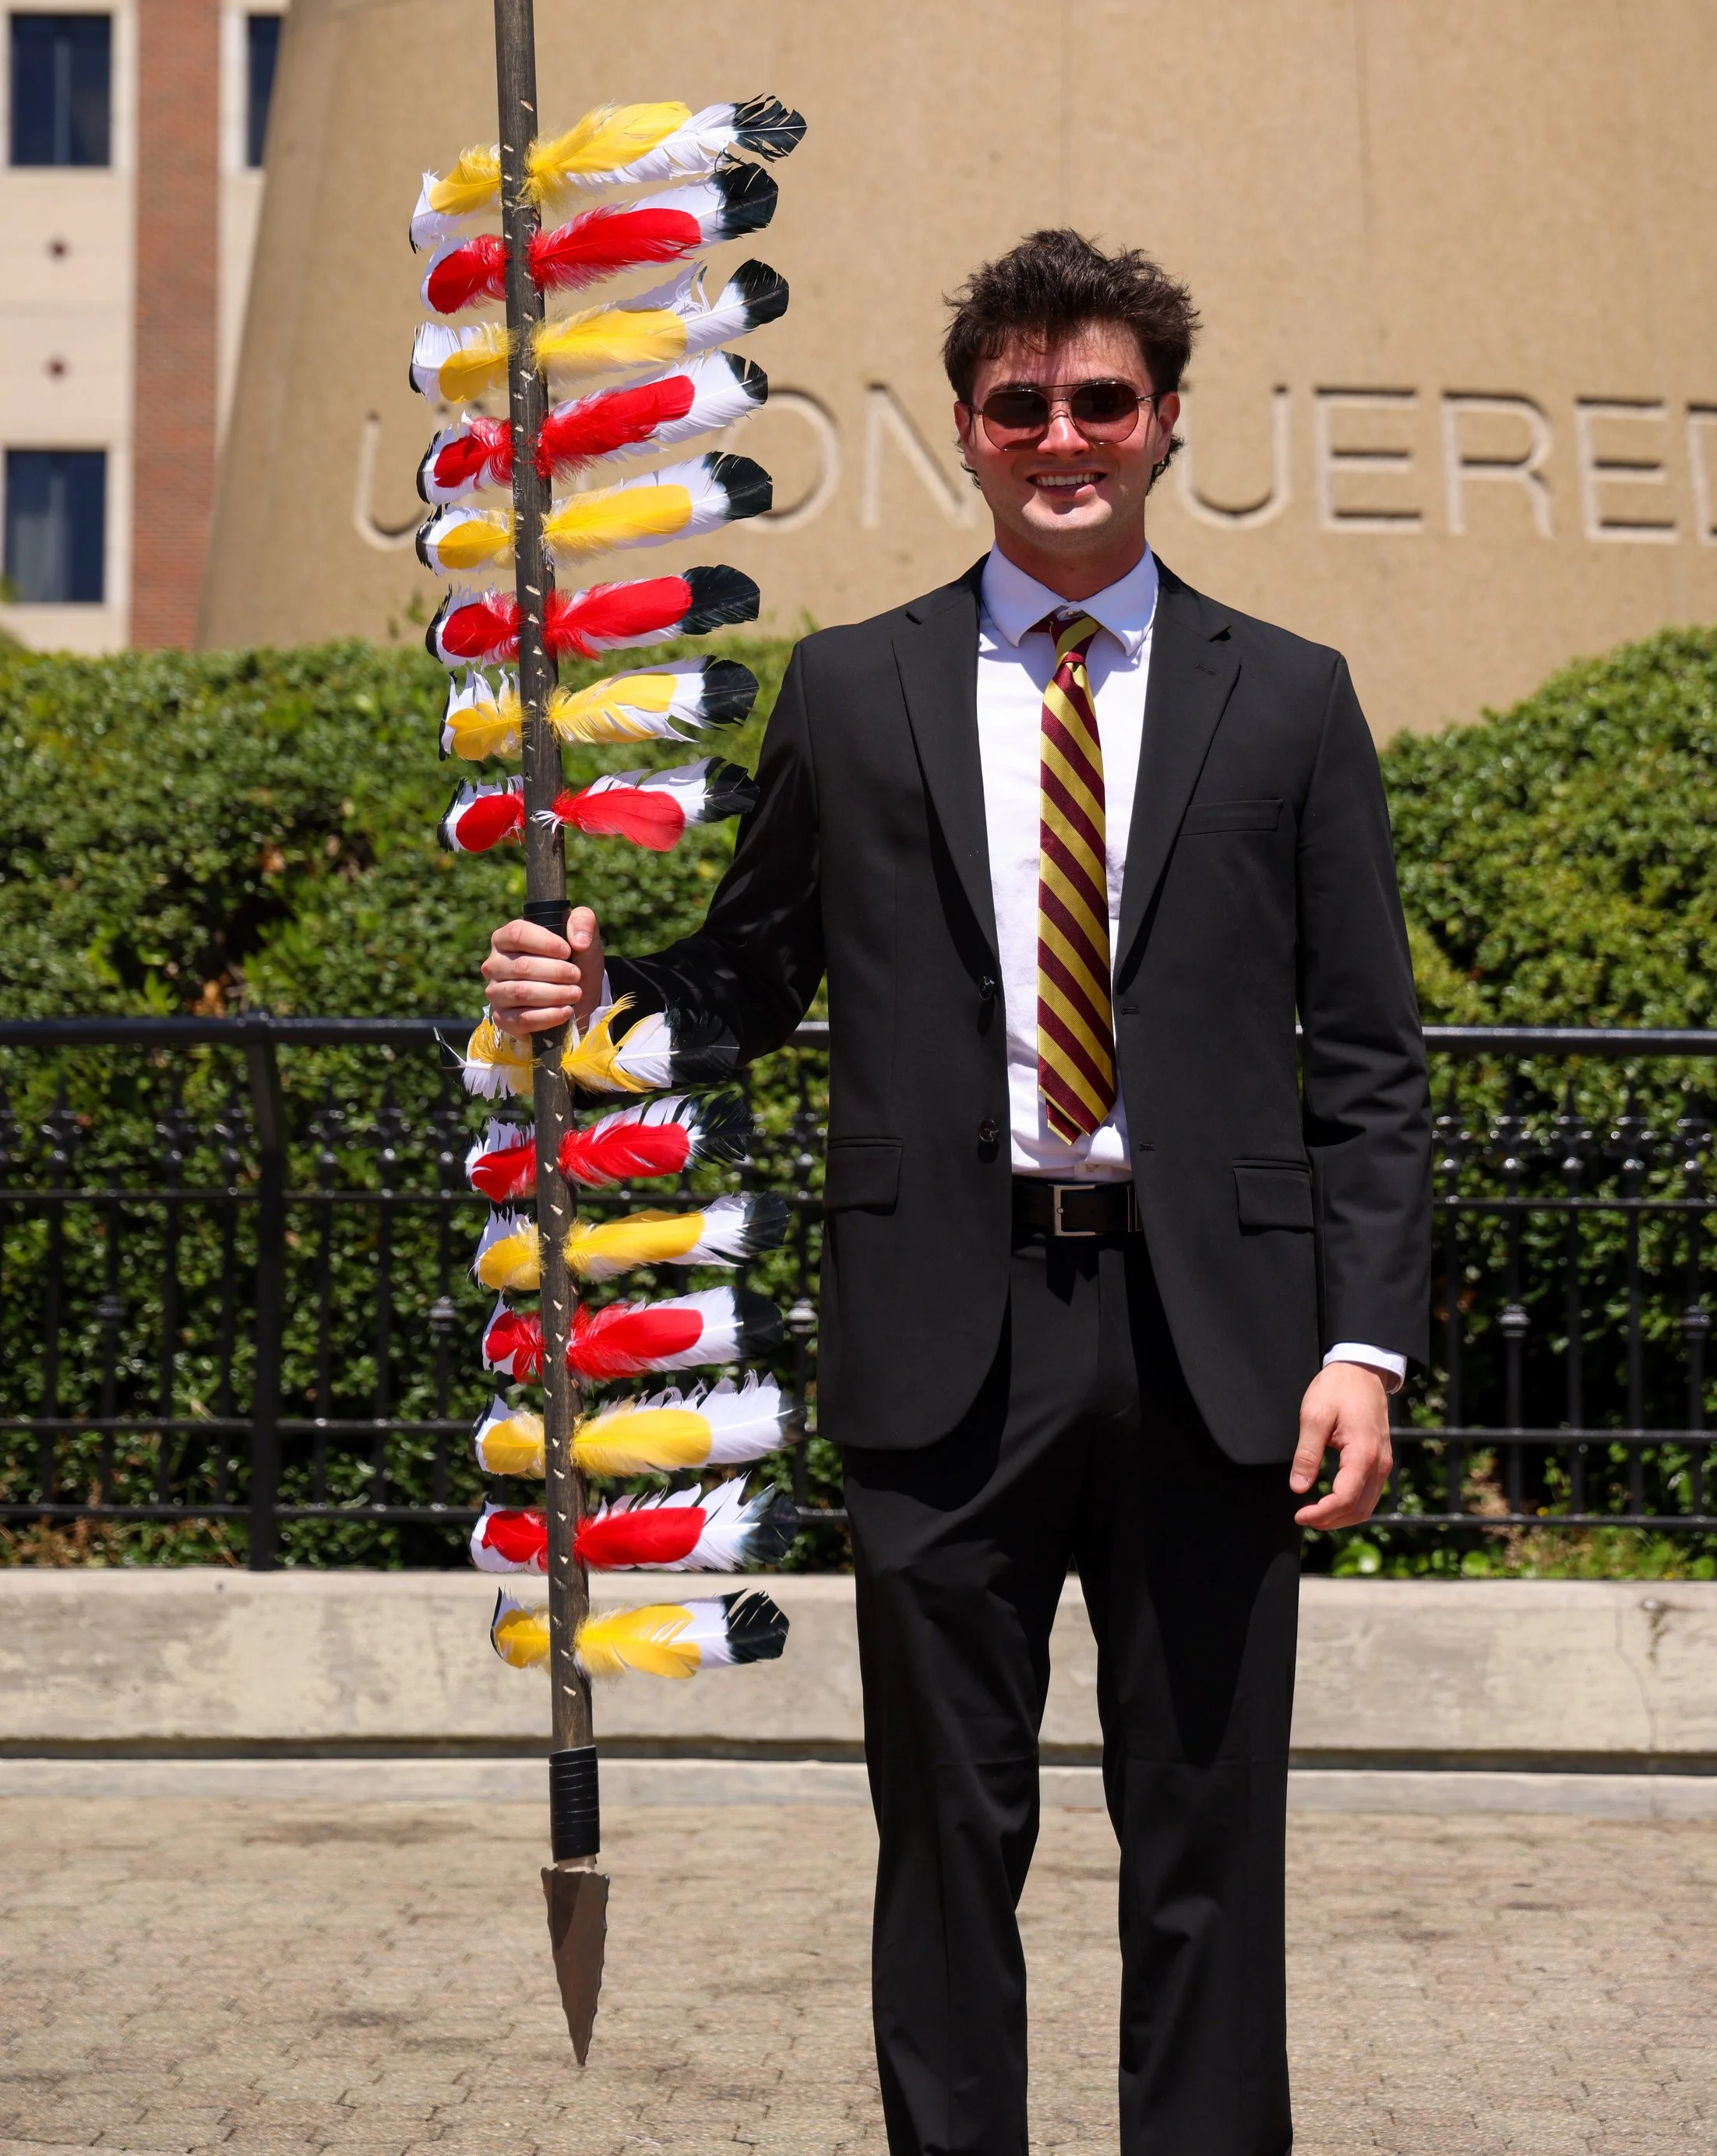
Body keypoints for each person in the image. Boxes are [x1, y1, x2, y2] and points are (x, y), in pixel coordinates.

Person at [485, 227, 1430, 2156]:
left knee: (1203, 1846)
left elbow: (1364, 1057)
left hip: (1220, 1345)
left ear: (1165, 422)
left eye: (1100, 399)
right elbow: (750, 971)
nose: (1060, 434)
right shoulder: (850, 689)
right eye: (1022, 403)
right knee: (941, 1847)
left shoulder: (1292, 699)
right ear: (965, 430)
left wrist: (1364, 1340)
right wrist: (600, 992)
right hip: (945, 1335)